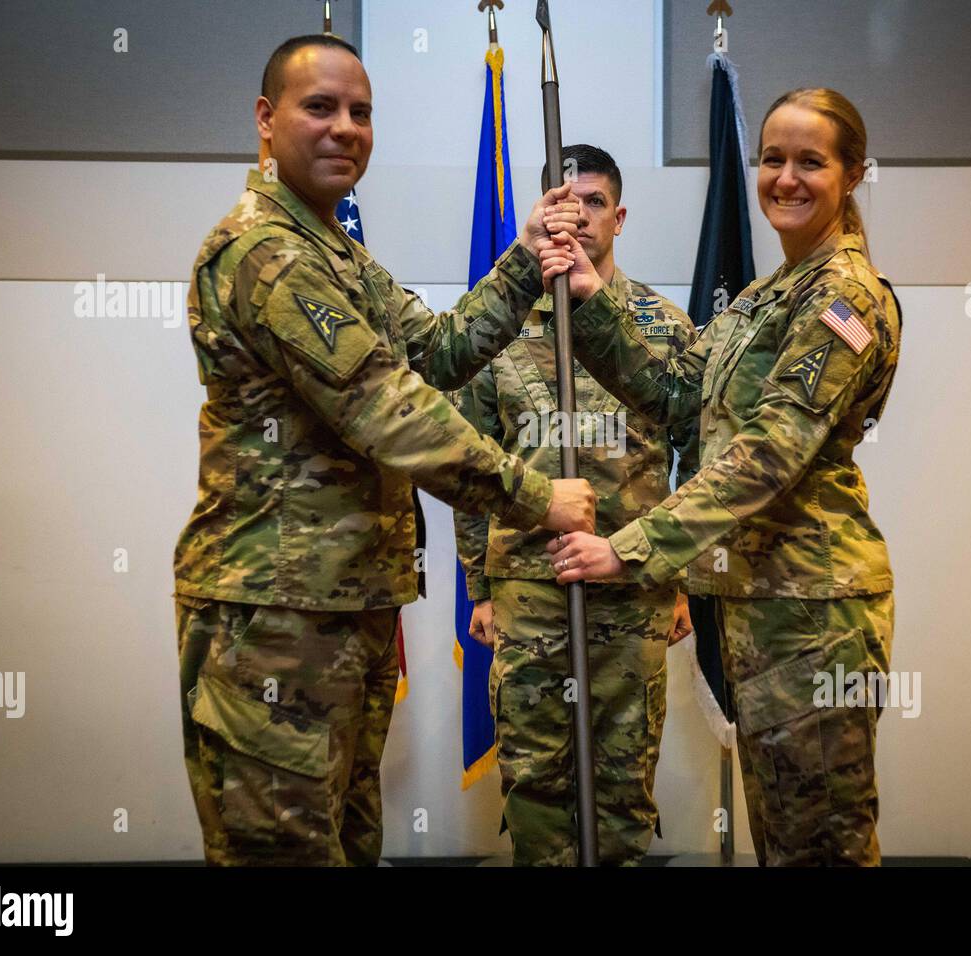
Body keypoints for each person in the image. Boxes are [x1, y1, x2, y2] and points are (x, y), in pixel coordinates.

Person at [172, 34, 594, 866]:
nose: (345, 128)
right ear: (266, 119)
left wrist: (522, 258)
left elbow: (434, 354)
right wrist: (536, 498)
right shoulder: (268, 251)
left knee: (347, 845)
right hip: (274, 620)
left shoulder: (338, 255)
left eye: (360, 112)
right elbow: (387, 412)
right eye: (319, 107)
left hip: (344, 607)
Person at [541, 89, 902, 866]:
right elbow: (681, 393)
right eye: (773, 158)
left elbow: (768, 453)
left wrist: (630, 549)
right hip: (759, 606)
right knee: (783, 838)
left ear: (854, 173)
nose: (786, 177)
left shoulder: (845, 297)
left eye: (812, 161)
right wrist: (593, 302)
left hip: (814, 614)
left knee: (819, 846)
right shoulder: (766, 296)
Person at [453, 144, 698, 866]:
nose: (580, 214)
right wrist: (480, 588)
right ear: (543, 212)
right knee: (535, 786)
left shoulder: (662, 325)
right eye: (565, 200)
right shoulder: (498, 326)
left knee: (623, 788)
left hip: (632, 585)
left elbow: (696, 455)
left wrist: (676, 573)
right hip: (529, 589)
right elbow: (469, 461)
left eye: (595, 202)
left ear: (619, 217)